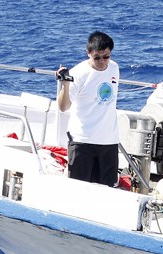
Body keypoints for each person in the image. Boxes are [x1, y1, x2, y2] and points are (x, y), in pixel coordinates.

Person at [56, 31, 120, 186]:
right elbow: (63, 107)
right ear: (88, 53)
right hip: (82, 141)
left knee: (108, 190)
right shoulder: (78, 74)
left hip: (109, 141)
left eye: (106, 57)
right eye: (97, 57)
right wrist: (65, 84)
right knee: (79, 189)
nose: (102, 61)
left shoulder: (114, 68)